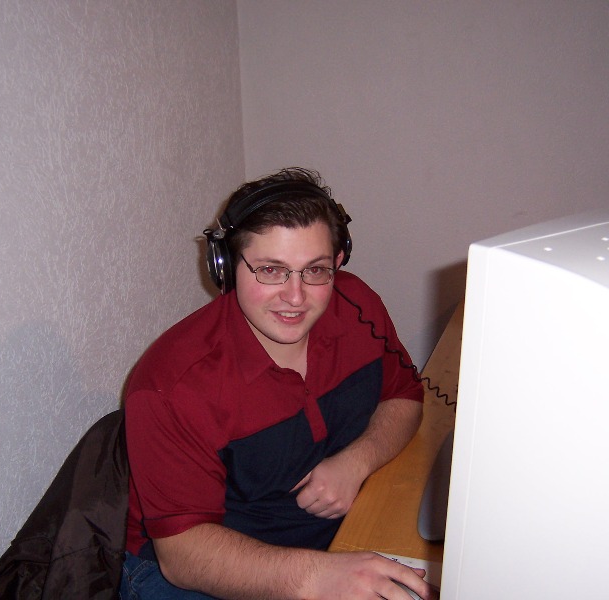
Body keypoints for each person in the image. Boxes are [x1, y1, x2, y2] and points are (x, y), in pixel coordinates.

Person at [121, 168, 436, 600]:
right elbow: (183, 556)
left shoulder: (356, 305)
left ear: (337, 263)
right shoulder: (171, 386)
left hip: (328, 542)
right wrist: (316, 577)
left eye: (315, 270)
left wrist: (356, 461)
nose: (295, 296)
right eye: (271, 270)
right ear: (225, 268)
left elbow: (403, 395)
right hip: (206, 564)